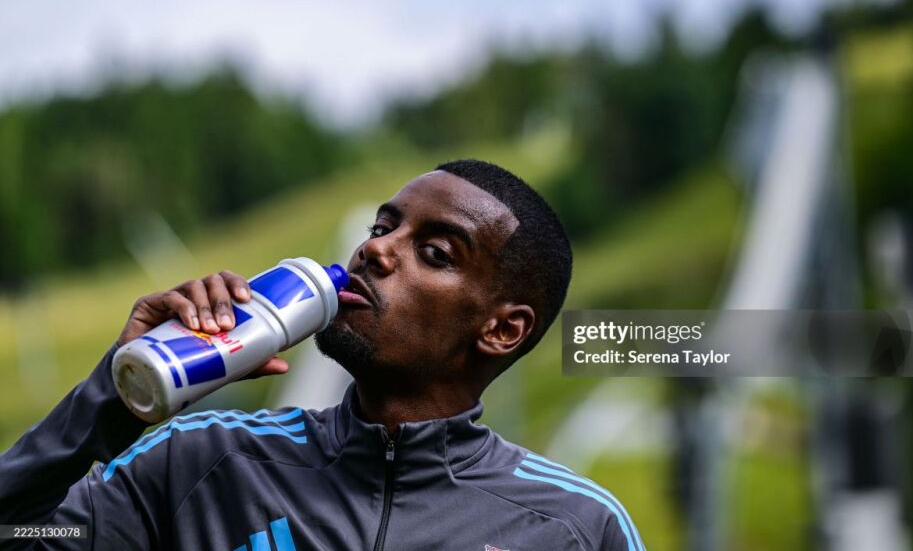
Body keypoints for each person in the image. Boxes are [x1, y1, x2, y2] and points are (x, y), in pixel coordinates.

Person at [0, 159, 645, 550]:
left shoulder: (576, 528)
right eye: (382, 227)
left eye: (434, 253)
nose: (377, 250)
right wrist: (115, 395)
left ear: (502, 330)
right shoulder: (201, 462)